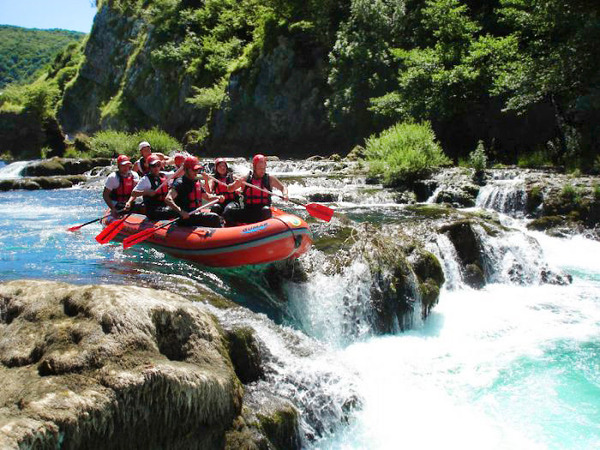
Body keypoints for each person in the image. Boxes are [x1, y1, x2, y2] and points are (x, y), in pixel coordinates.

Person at [225, 154, 288, 224]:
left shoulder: (269, 179)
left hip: (262, 211)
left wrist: (285, 194)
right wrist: (235, 184)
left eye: (264, 168)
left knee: (266, 210)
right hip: (248, 211)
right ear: (254, 167)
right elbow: (229, 189)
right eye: (260, 168)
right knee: (228, 212)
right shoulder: (246, 178)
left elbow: (283, 187)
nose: (262, 171)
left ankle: (266, 230)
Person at [165, 156, 223, 228]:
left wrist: (218, 197)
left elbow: (207, 197)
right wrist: (181, 211)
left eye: (197, 170)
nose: (196, 173)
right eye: (194, 170)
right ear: (186, 170)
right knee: (213, 217)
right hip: (185, 217)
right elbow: (168, 199)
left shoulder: (196, 182)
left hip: (194, 214)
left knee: (217, 209)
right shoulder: (180, 183)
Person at [124, 155, 179, 220]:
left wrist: (182, 164)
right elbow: (134, 193)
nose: (156, 168)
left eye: (158, 165)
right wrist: (146, 192)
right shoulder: (145, 179)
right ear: (149, 167)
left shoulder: (163, 175)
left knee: (180, 208)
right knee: (176, 212)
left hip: (164, 206)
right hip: (153, 210)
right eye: (153, 166)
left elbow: (179, 173)